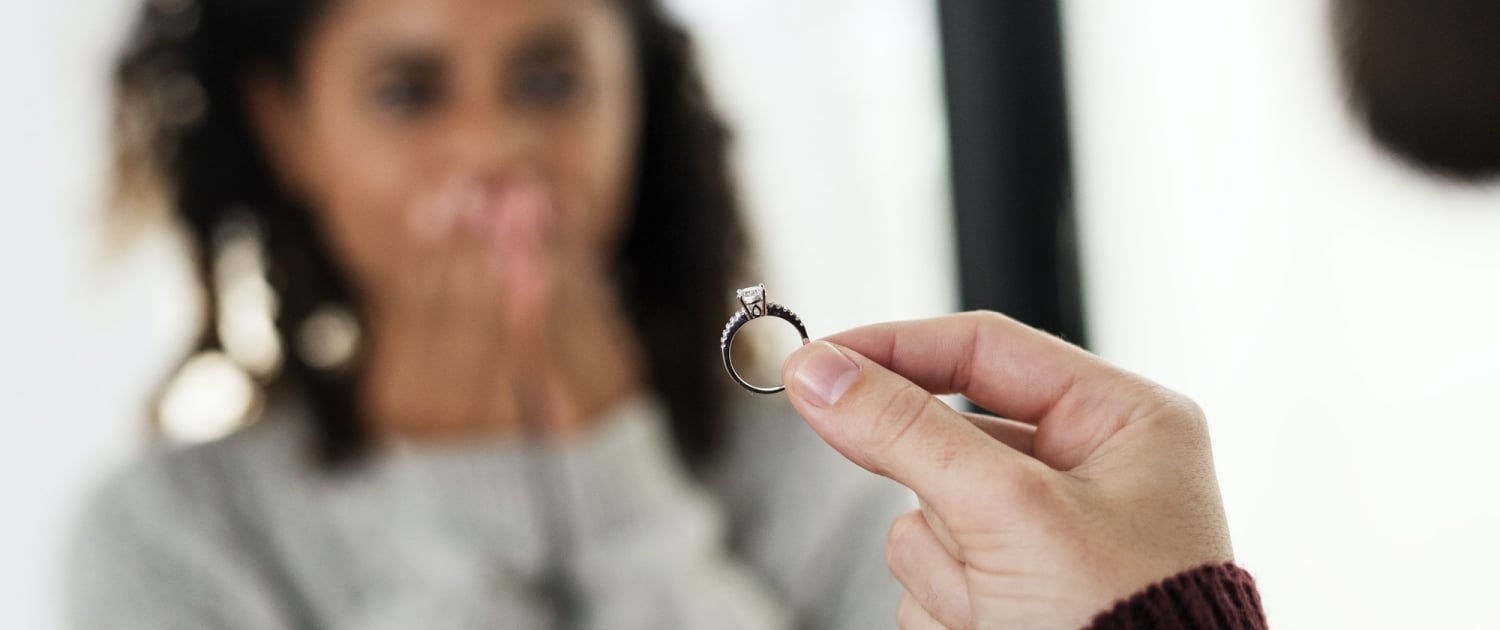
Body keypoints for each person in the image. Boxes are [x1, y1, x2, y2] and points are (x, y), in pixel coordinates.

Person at [68, 0, 911, 628]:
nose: (495, 149)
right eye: (406, 93)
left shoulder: (833, 477)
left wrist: (618, 494)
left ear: (636, 100)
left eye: (551, 83)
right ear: (288, 129)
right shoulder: (168, 535)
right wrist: (463, 494)